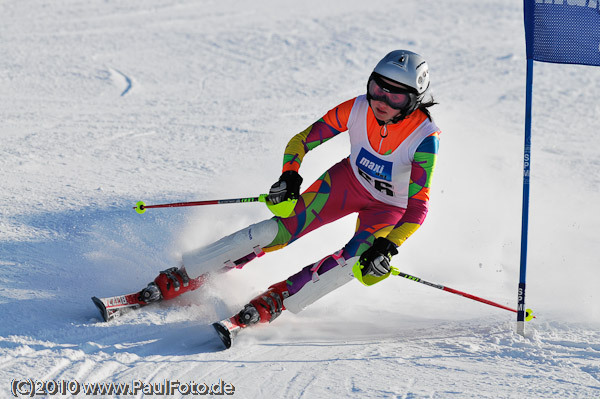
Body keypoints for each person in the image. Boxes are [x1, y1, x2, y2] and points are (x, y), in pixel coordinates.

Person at [139, 49, 441, 340]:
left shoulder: (424, 137)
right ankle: (192, 272)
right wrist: (290, 175)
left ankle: (281, 297)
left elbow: (417, 209)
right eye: (377, 87)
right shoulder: (358, 107)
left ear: (414, 100)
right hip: (347, 183)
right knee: (278, 229)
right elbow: (302, 140)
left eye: (395, 95)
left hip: (388, 208)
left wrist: (388, 247)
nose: (381, 100)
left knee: (357, 260)